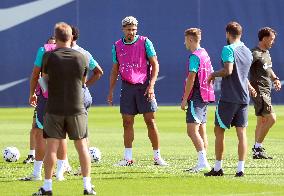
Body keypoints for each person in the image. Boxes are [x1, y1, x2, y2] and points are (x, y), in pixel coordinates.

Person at [33, 22, 96, 195]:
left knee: (52, 147)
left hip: (54, 108)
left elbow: (44, 79)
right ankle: (87, 186)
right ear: (71, 37)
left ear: (56, 36)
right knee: (82, 146)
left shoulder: (48, 57)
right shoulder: (82, 57)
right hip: (77, 107)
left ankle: (47, 186)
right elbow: (83, 81)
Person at [107, 16, 168, 166]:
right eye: (128, 29)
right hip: (127, 87)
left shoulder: (145, 42)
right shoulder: (116, 46)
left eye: (134, 29)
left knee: (150, 121)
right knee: (127, 122)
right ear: (123, 30)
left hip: (144, 86)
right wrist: (111, 91)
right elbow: (115, 70)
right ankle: (128, 158)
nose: (131, 32)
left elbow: (155, 64)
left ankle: (157, 157)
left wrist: (152, 85)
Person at [204, 21, 256, 177]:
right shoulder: (247, 51)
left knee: (219, 130)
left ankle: (218, 168)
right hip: (243, 98)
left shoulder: (227, 49)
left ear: (227, 34)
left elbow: (228, 71)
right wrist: (249, 87)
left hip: (229, 97)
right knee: (242, 133)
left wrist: (213, 74)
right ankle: (240, 170)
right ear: (240, 34)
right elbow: (243, 74)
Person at [21, 36, 72, 182]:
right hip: (64, 99)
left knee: (42, 134)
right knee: (61, 135)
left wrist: (32, 94)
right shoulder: (73, 51)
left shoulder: (44, 50)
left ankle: (37, 174)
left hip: (47, 97)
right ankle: (59, 173)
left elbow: (35, 73)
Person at [180, 28, 215, 173]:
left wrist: (184, 99)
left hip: (196, 97)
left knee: (192, 131)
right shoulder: (205, 53)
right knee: (201, 130)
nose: (184, 43)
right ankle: (203, 161)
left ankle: (202, 163)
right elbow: (212, 74)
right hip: (205, 97)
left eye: (185, 40)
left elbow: (191, 78)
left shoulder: (195, 56)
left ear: (190, 39)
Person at [71, 25, 104, 175]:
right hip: (81, 96)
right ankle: (73, 167)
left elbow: (98, 72)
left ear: (71, 37)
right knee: (81, 133)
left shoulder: (70, 53)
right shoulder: (84, 52)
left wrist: (83, 85)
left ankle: (72, 167)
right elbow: (98, 71)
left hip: (75, 97)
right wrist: (84, 86)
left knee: (69, 133)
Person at [23, 36, 55, 164]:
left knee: (54, 130)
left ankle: (60, 162)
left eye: (54, 44)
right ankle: (32, 154)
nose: (52, 47)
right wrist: (35, 93)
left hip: (55, 93)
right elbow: (37, 75)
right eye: (50, 44)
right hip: (43, 90)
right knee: (36, 127)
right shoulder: (43, 53)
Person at [250, 27, 281, 159]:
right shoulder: (254, 53)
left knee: (261, 121)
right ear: (264, 38)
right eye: (271, 39)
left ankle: (256, 152)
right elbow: (242, 68)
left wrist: (275, 79)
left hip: (266, 89)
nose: (273, 42)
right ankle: (257, 147)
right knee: (271, 118)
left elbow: (268, 68)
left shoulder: (266, 53)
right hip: (259, 90)